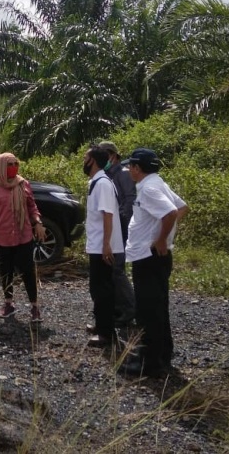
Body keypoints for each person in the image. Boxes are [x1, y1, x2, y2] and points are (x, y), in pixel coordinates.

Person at [119, 148, 189, 377]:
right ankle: (162, 355)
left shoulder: (149, 188)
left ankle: (149, 363)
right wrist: (163, 234)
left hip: (149, 257)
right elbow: (181, 207)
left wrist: (160, 238)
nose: (129, 169)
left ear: (138, 168)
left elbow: (170, 213)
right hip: (155, 256)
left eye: (131, 166)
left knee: (148, 311)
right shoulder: (157, 183)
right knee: (158, 308)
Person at [0, 153, 47, 322]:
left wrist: (37, 222)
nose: (14, 167)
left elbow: (32, 207)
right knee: (6, 271)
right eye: (10, 164)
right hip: (1, 237)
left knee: (28, 271)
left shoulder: (23, 184)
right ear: (0, 167)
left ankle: (34, 307)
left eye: (16, 163)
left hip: (23, 236)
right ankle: (8, 303)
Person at [83, 145, 124, 348]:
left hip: (104, 246)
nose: (83, 162)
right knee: (97, 288)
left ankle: (107, 334)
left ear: (93, 161)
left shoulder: (103, 184)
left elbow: (108, 214)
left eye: (86, 158)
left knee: (104, 289)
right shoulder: (96, 182)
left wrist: (106, 245)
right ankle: (101, 325)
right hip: (98, 244)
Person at [97, 141, 136, 329]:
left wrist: (120, 222)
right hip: (114, 230)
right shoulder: (108, 175)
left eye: (105, 154)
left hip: (122, 229)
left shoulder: (123, 174)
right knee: (111, 270)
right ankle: (118, 308)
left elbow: (129, 201)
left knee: (117, 270)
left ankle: (129, 310)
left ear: (113, 155)